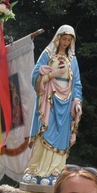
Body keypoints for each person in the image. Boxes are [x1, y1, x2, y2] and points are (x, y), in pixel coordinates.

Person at [24, 25, 83, 181]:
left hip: (66, 102)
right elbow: (35, 77)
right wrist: (52, 75)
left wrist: (77, 101)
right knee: (46, 130)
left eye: (69, 40)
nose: (66, 42)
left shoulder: (73, 60)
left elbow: (76, 83)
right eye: (63, 39)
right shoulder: (47, 54)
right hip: (49, 100)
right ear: (58, 38)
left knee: (62, 135)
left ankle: (56, 170)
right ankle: (36, 169)